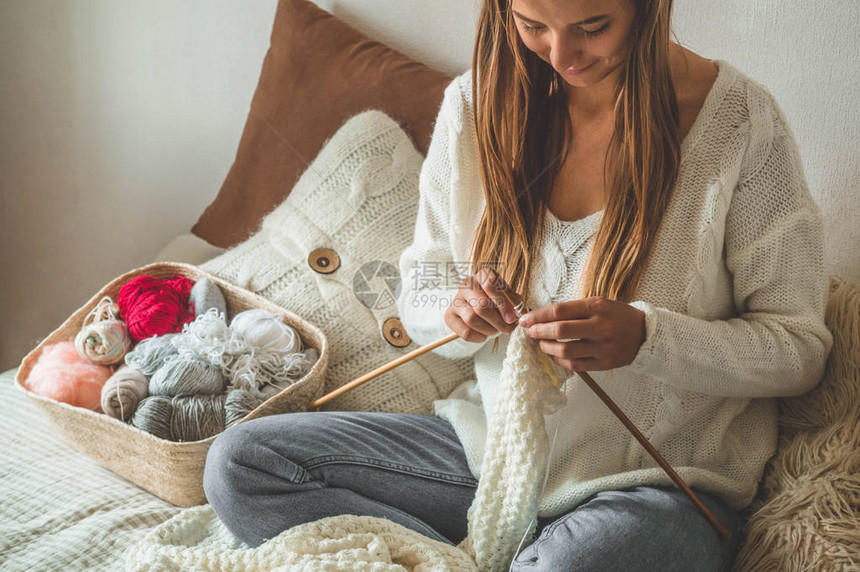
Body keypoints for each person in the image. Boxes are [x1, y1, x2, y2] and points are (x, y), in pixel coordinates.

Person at [202, 0, 834, 570]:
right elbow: (421, 279)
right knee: (240, 465)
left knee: (573, 564)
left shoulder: (740, 125)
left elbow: (797, 347)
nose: (561, 57)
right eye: (533, 26)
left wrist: (649, 338)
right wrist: (453, 308)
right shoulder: (474, 107)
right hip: (493, 458)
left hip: (656, 487)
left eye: (593, 27)